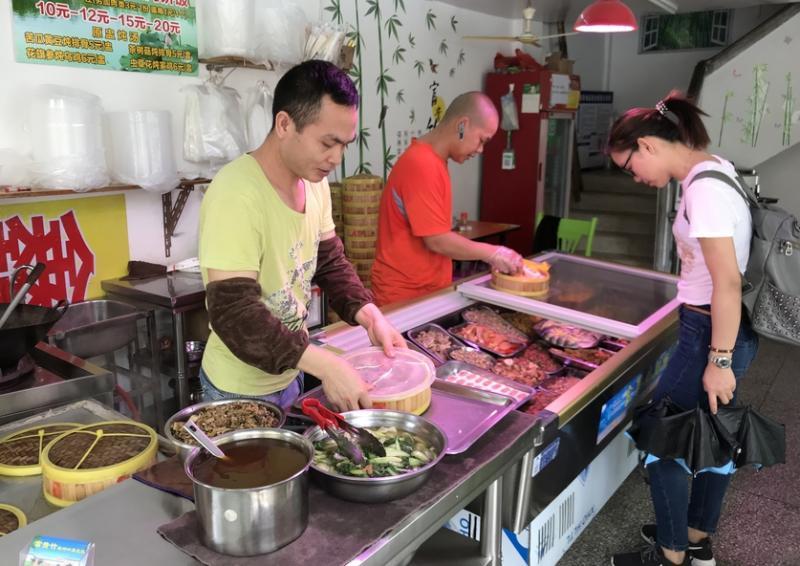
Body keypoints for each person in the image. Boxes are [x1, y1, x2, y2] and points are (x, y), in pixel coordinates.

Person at [198, 60, 406, 412]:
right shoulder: (236, 194)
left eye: (344, 145)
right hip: (237, 392)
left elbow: (329, 261)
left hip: (289, 373)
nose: (336, 158)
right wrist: (326, 365)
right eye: (327, 142)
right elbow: (234, 313)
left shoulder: (315, 183)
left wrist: (371, 316)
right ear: (284, 124)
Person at [608, 92, 759, 566]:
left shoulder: (703, 191)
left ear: (648, 145)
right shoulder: (715, 169)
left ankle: (670, 555)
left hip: (710, 331)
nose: (635, 177)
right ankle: (695, 537)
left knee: (665, 434)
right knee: (714, 432)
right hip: (726, 329)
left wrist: (718, 361)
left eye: (629, 166)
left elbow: (727, 282)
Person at [370, 91, 524, 306]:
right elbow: (437, 240)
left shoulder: (434, 161)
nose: (480, 150)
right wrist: (493, 253)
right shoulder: (422, 164)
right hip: (405, 296)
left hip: (426, 290)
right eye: (481, 140)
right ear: (462, 125)